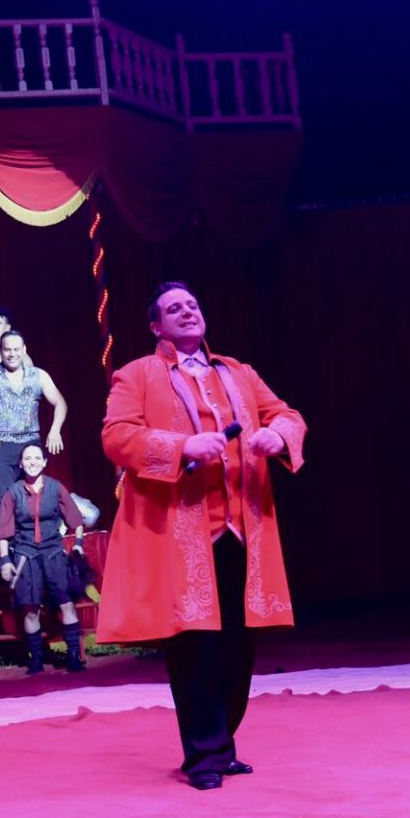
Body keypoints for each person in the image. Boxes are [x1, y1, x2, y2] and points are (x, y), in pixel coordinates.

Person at [99, 281, 307, 790]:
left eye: (192, 304)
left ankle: (222, 742)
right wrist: (182, 446)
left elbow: (287, 414)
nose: (188, 312)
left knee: (238, 643)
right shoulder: (137, 374)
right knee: (194, 645)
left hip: (242, 528)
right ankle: (205, 756)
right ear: (157, 326)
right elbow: (117, 436)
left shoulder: (237, 372)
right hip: (183, 534)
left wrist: (276, 434)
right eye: (175, 308)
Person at [0, 443, 90, 674]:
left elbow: (76, 519)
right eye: (28, 458)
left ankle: (73, 656)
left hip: (53, 552)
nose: (32, 462)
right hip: (26, 554)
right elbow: (4, 531)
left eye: (37, 458)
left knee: (66, 604)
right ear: (20, 463)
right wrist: (5, 560)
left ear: (45, 462)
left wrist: (78, 544)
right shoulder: (13, 493)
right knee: (30, 609)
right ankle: (36, 659)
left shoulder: (56, 487)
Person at [0, 330, 67, 530]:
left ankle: (34, 539)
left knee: (34, 494)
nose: (12, 354)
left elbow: (60, 402)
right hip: (0, 445)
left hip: (31, 443)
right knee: (4, 497)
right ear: (1, 351)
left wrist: (55, 430)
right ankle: (6, 546)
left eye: (16, 349)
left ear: (24, 350)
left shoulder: (38, 375)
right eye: (7, 350)